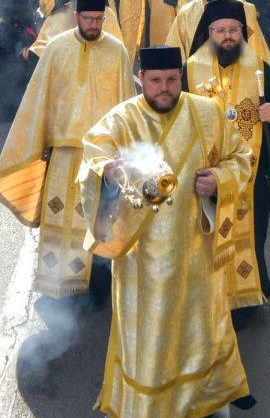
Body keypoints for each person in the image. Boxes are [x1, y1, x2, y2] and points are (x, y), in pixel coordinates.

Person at [78, 46, 256, 417]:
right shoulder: (121, 120)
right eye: (155, 80)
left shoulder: (206, 113)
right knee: (151, 344)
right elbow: (92, 161)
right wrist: (108, 174)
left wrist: (219, 179)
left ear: (181, 77)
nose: (165, 88)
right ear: (141, 79)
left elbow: (240, 156)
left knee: (201, 335)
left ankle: (205, 402)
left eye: (172, 80)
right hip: (144, 265)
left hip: (197, 256)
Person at [0, 0, 135, 299]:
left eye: (99, 20)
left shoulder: (117, 51)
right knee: (60, 217)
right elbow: (39, 101)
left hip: (100, 158)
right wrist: (38, 143)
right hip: (62, 156)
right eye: (88, 19)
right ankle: (59, 288)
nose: (94, 25)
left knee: (97, 219)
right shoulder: (57, 49)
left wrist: (123, 152)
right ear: (76, 17)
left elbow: (125, 107)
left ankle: (97, 289)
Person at [183, 0, 270, 322]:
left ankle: (248, 297)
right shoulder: (191, 70)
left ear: (242, 32)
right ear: (208, 33)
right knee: (206, 241)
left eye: (233, 30)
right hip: (205, 176)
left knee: (252, 236)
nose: (227, 37)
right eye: (220, 30)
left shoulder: (260, 68)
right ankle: (212, 300)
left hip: (253, 175)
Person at [166, 0, 270, 72]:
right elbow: (175, 51)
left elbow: (257, 48)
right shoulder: (186, 13)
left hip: (238, 76)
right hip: (199, 78)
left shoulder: (243, 10)